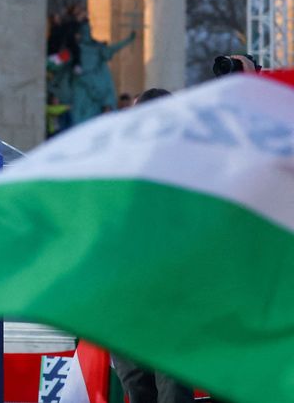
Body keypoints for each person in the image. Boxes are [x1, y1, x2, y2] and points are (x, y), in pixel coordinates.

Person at [109, 86, 195, 403]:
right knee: (136, 385)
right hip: (126, 299)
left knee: (172, 390)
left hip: (173, 299)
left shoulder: (192, 168)